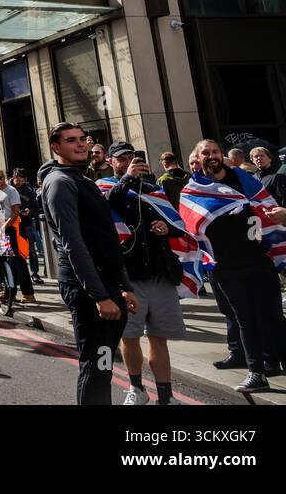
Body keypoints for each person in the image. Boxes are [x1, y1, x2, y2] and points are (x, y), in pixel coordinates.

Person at [185, 140, 286, 396]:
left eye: (215, 151)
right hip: (225, 267)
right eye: (205, 153)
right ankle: (256, 373)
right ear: (198, 158)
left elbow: (266, 206)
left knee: (274, 318)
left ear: (222, 156)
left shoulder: (245, 181)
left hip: (258, 260)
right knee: (244, 320)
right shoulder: (193, 191)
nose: (211, 156)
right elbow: (190, 226)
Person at [41, 123, 138, 405]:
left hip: (107, 286)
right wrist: (99, 296)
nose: (81, 144)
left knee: (104, 366)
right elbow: (73, 244)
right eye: (71, 140)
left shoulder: (83, 180)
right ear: (56, 147)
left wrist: (123, 286)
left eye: (83, 139)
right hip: (88, 289)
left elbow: (105, 238)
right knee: (96, 367)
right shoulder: (60, 182)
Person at [103, 142, 187, 405]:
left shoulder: (153, 189)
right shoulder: (105, 187)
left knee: (159, 337)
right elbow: (109, 204)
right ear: (111, 162)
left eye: (133, 158)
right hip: (129, 277)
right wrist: (128, 177)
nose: (129, 162)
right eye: (122, 159)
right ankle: (137, 388)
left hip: (160, 273)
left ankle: (165, 395)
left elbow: (178, 225)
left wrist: (166, 228)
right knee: (129, 337)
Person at [247, 145, 286, 310]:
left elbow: (285, 201)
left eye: (262, 156)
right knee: (277, 260)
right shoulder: (254, 179)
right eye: (255, 157)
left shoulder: (277, 176)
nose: (259, 158)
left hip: (280, 223)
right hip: (262, 225)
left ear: (270, 158)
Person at [0, 170, 35, 303]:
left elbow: (15, 213)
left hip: (12, 229)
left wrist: (4, 227)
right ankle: (10, 292)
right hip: (0, 229)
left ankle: (29, 294)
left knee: (18, 261)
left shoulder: (11, 191)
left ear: (4, 178)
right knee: (5, 261)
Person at [11, 169, 43, 284]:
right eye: (17, 180)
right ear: (13, 177)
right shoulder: (7, 189)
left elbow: (35, 208)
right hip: (10, 225)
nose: (19, 182)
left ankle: (34, 273)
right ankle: (15, 275)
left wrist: (29, 212)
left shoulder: (28, 191)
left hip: (26, 224)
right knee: (13, 251)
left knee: (31, 250)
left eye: (21, 180)